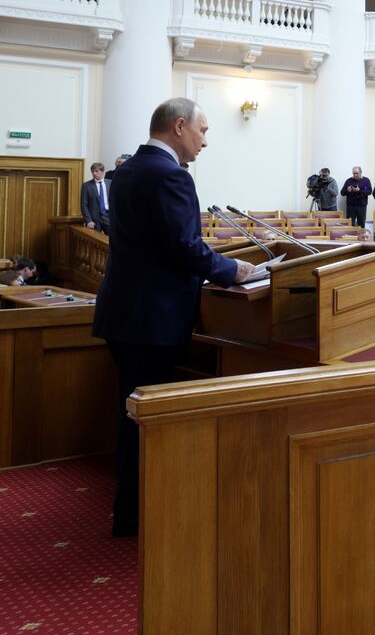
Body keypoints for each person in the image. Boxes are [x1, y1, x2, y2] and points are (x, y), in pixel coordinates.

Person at [92, 98, 255, 537]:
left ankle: (130, 511)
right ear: (179, 127)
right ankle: (139, 515)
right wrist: (230, 269)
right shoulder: (170, 176)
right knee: (150, 418)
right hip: (153, 318)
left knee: (134, 413)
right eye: (202, 130)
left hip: (124, 312)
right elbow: (182, 246)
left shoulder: (126, 171)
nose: (205, 141)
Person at [80, 161, 112, 233]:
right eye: (92, 171)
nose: (94, 173)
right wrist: (88, 220)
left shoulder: (110, 183)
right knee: (95, 242)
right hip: (94, 220)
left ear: (102, 171)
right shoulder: (86, 185)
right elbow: (83, 205)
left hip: (108, 218)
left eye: (96, 171)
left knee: (110, 241)